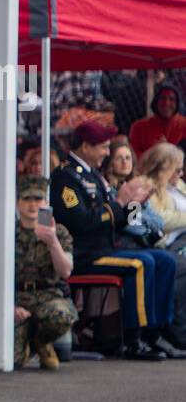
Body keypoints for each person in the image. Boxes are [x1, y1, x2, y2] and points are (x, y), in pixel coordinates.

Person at [51, 120, 179, 360]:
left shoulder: (94, 176)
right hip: (85, 254)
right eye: (103, 147)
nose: (106, 153)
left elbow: (120, 220)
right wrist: (119, 204)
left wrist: (135, 204)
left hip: (106, 249)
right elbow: (80, 221)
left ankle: (157, 333)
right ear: (86, 146)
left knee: (165, 260)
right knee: (140, 264)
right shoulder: (65, 178)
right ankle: (134, 338)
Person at [13, 175, 77, 369]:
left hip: (46, 296)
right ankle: (25, 344)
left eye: (38, 200)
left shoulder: (58, 232)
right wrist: (9, 306)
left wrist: (52, 242)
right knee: (12, 362)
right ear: (18, 203)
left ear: (46, 203)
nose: (32, 205)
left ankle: (41, 342)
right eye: (27, 199)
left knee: (63, 314)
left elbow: (65, 271)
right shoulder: (8, 232)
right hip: (17, 297)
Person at [139, 142, 186, 349]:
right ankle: (175, 331)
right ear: (161, 167)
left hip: (182, 238)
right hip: (165, 243)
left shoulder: (180, 186)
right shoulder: (146, 186)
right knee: (179, 267)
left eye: (182, 168)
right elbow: (156, 220)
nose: (180, 173)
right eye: (176, 169)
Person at [128, 84, 186, 158]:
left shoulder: (184, 125)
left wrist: (168, 150)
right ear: (156, 102)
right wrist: (155, 153)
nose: (166, 103)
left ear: (178, 103)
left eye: (172, 99)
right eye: (162, 98)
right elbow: (133, 155)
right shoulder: (139, 127)